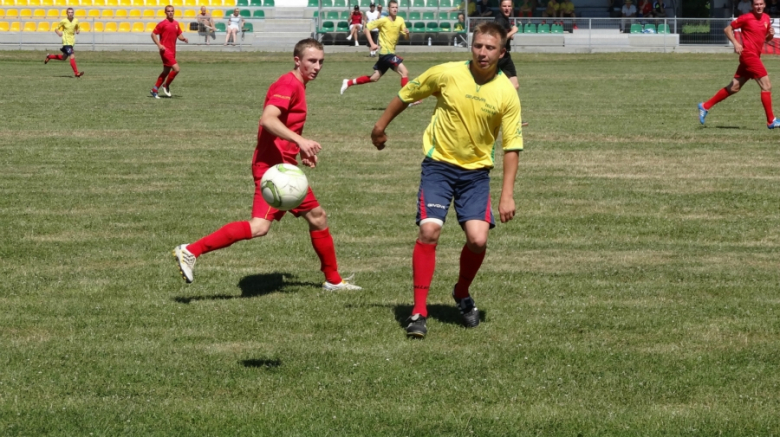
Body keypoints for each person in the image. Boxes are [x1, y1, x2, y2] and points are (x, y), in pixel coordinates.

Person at [370, 21, 523, 339]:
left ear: (502, 53)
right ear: (472, 46)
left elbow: (512, 147)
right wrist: (380, 126)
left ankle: (461, 292)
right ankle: (418, 312)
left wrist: (507, 194)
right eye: (478, 45)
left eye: (490, 48)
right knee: (429, 231)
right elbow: (407, 94)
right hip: (438, 167)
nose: (483, 52)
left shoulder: (506, 92)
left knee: (478, 240)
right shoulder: (447, 72)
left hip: (476, 175)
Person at [173, 38, 362, 292]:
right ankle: (190, 250)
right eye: (312, 61)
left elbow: (284, 125)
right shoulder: (288, 84)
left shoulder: (299, 84)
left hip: (285, 165)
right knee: (259, 226)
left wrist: (299, 150)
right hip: (272, 169)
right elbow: (267, 120)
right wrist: (301, 141)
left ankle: (333, 279)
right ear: (298, 61)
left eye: (321, 62)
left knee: (317, 217)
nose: (317, 66)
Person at [698, 0, 780, 129]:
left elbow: (765, 40)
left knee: (734, 87)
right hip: (749, 55)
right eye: (756, 4)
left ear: (765, 5)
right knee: (766, 86)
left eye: (761, 4)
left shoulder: (766, 18)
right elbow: (727, 29)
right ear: (752, 6)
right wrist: (736, 43)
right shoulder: (746, 18)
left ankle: (705, 106)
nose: (759, 6)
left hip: (754, 56)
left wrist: (770, 35)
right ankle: (771, 121)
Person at [340, 0, 410, 96]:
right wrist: (372, 44)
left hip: (389, 54)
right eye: (393, 7)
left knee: (374, 78)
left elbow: (406, 38)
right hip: (386, 53)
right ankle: (408, 98)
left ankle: (348, 82)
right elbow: (366, 29)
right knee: (404, 72)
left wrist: (407, 34)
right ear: (388, 9)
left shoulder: (400, 20)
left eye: (396, 7)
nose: (395, 9)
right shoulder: (383, 20)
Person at [150, 5, 188, 99]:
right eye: (168, 11)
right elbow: (153, 34)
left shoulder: (176, 23)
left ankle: (154, 90)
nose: (170, 12)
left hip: (172, 50)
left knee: (166, 71)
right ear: (165, 12)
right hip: (165, 51)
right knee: (176, 69)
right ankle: (166, 85)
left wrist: (183, 39)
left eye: (172, 11)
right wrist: (159, 45)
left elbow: (179, 34)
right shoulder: (162, 24)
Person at [44, 7, 84, 78]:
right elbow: (56, 28)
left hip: (71, 42)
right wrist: (59, 33)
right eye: (69, 12)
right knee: (72, 55)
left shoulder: (76, 21)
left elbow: (78, 28)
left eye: (72, 12)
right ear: (67, 13)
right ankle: (76, 73)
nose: (70, 14)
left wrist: (78, 31)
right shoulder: (64, 21)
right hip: (66, 41)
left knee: (63, 58)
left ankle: (49, 56)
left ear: (73, 13)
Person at [494, 0, 520, 90]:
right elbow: (499, 39)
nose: (507, 8)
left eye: (509, 6)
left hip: (505, 56)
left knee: (514, 85)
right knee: (493, 85)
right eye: (504, 6)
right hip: (498, 56)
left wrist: (510, 35)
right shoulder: (500, 19)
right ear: (500, 7)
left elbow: (503, 35)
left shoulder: (505, 18)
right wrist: (513, 31)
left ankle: (505, 102)